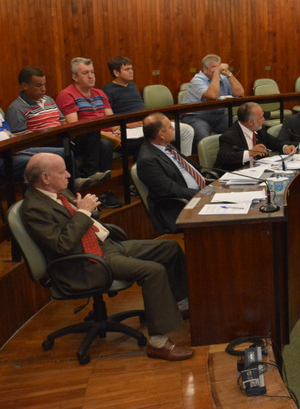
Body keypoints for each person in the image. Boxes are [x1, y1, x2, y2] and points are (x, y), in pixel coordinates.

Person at [21, 152, 193, 361]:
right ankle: (158, 343)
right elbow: (61, 245)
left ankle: (180, 307)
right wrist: (83, 213)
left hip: (105, 244)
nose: (68, 175)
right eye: (62, 172)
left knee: (170, 248)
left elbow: (81, 220)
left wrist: (89, 210)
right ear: (45, 178)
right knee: (153, 271)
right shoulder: (34, 209)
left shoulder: (59, 190)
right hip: (87, 260)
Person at [55, 58, 120, 207]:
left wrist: (116, 131)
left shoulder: (100, 93)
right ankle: (94, 181)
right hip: (78, 139)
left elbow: (111, 119)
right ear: (75, 77)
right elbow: (74, 127)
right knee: (103, 142)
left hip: (101, 136)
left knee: (106, 143)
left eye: (92, 72)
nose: (91, 76)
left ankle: (103, 191)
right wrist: (106, 133)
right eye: (85, 73)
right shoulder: (67, 95)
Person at [102, 56, 194, 156]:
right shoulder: (107, 90)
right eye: (127, 69)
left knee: (187, 130)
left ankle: (185, 162)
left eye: (131, 68)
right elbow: (110, 119)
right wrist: (127, 124)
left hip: (147, 122)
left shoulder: (132, 86)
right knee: (155, 139)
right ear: (116, 73)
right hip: (131, 129)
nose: (131, 71)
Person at [136, 113, 204, 233]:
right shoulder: (147, 160)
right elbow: (170, 189)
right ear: (161, 134)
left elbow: (193, 166)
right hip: (178, 207)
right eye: (169, 127)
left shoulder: (166, 145)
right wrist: (202, 194)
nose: (173, 128)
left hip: (196, 195)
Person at [180, 54, 245, 148]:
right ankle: (200, 157)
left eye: (219, 67)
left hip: (217, 116)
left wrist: (229, 74)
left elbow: (240, 93)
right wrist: (217, 73)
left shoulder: (223, 78)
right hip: (195, 116)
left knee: (238, 128)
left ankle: (235, 153)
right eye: (214, 67)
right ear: (205, 69)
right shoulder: (197, 80)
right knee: (202, 135)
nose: (218, 70)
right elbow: (212, 96)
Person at [215, 102, 295, 172]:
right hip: (236, 176)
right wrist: (249, 153)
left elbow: (274, 142)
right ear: (250, 122)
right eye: (261, 117)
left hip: (257, 172)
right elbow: (224, 157)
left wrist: (285, 147)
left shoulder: (259, 129)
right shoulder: (230, 136)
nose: (264, 119)